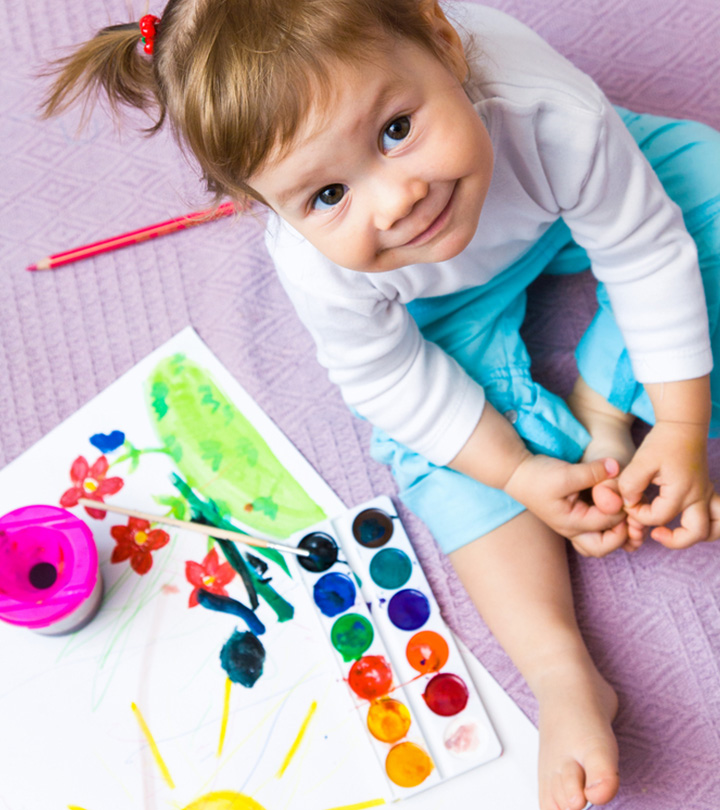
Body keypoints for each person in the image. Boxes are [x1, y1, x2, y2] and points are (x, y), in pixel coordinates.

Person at [41, 1, 720, 807]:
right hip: (433, 301)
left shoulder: (550, 115)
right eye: (328, 193)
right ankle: (561, 672)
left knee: (708, 191)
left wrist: (679, 427)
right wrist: (514, 473)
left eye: (396, 130)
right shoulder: (316, 262)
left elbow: (645, 251)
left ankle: (604, 408)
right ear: (263, 206)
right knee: (430, 439)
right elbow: (390, 380)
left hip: (560, 212)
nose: (396, 201)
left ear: (443, 41)